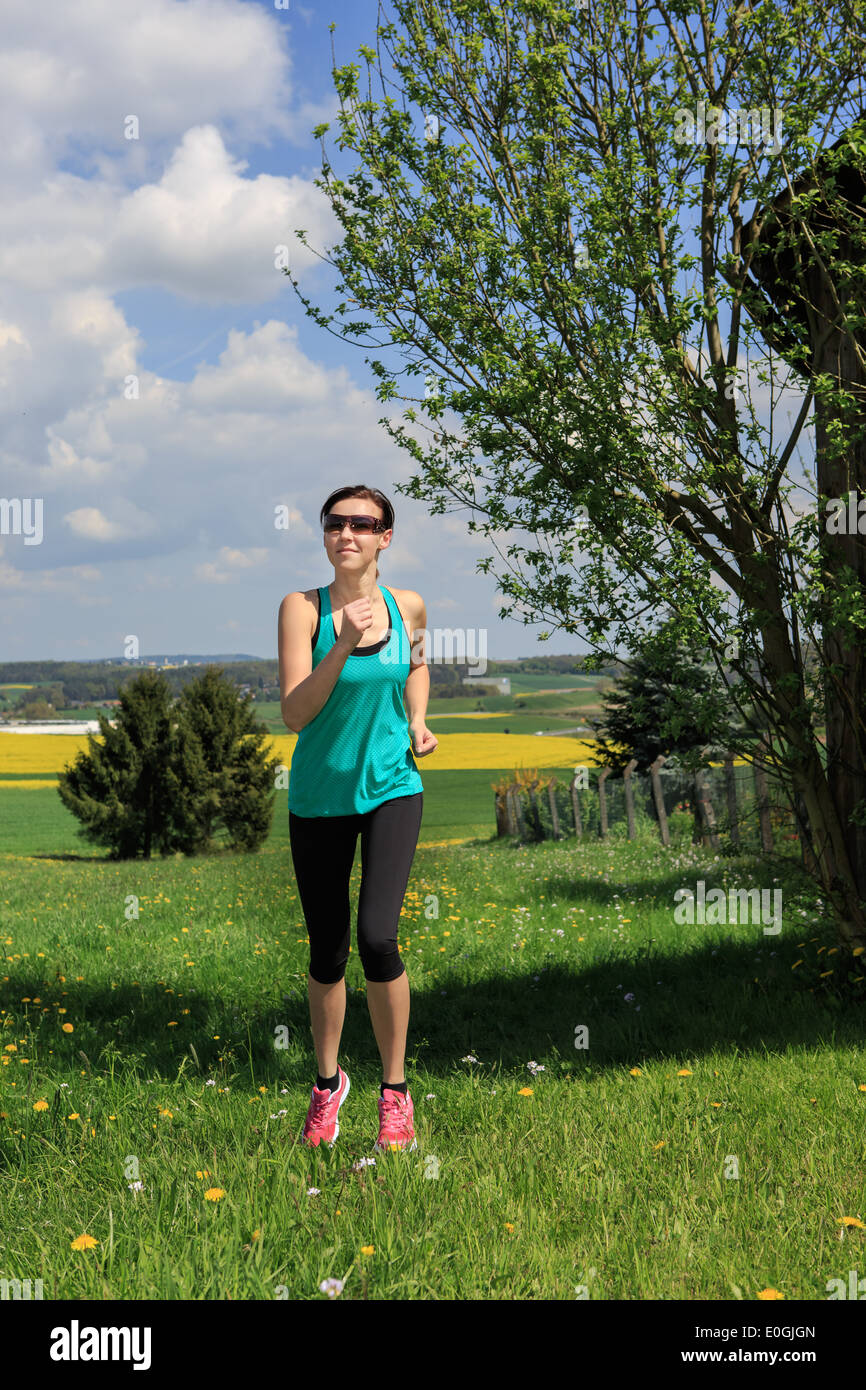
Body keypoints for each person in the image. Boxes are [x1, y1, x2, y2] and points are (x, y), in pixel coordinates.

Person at [278, 485, 438, 1153]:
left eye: (362, 523)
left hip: (392, 788)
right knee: (327, 951)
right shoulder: (302, 610)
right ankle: (327, 1085)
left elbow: (419, 665)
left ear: (385, 537)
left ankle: (395, 1092)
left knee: (378, 936)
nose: (347, 533)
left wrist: (420, 719)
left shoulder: (409, 607)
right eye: (336, 523)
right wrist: (340, 646)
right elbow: (294, 712)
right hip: (318, 797)